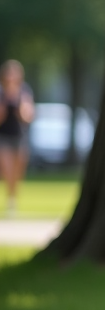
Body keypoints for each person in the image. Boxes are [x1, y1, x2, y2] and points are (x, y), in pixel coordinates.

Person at [0, 60, 35, 216]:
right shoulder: (1, 93)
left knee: (17, 171)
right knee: (6, 169)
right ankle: (10, 199)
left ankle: (13, 197)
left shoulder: (24, 91)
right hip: (4, 137)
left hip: (20, 136)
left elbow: (27, 116)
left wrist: (19, 103)